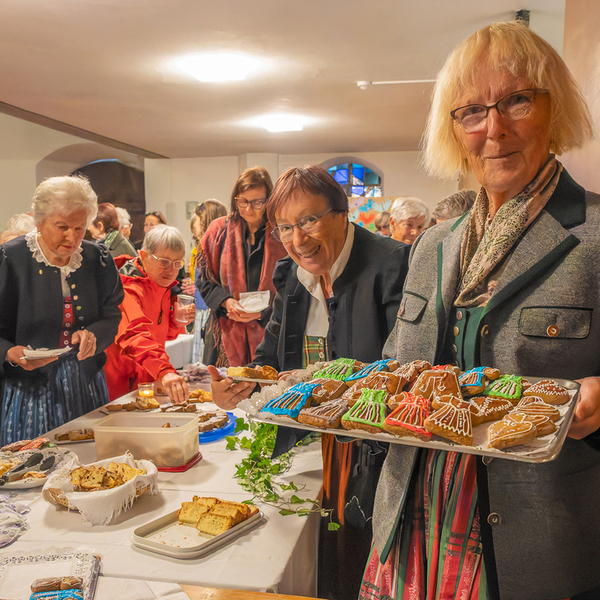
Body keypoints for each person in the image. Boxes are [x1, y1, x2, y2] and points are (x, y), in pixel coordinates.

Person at [363, 21, 600, 600]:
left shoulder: (594, 237)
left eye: (517, 100)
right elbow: (398, 360)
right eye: (471, 111)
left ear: (555, 109)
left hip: (538, 543)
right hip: (413, 528)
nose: (493, 128)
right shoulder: (432, 244)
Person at [209, 165, 411, 600]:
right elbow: (270, 357)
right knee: (309, 557)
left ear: (343, 213)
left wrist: (315, 378)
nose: (297, 239)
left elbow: (401, 369)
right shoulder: (290, 276)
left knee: (360, 559)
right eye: (284, 226)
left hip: (370, 449)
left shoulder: (390, 264)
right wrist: (242, 384)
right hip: (305, 446)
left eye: (309, 220)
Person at [0, 175, 124, 445]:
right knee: (30, 471)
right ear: (39, 220)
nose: (72, 237)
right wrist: (9, 352)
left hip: (85, 383)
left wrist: (93, 335)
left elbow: (111, 316)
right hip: (29, 389)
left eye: (80, 228)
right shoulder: (10, 259)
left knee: (92, 466)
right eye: (62, 227)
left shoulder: (96, 259)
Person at [198, 167, 287, 367]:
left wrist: (264, 312)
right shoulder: (218, 231)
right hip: (225, 331)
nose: (248, 209)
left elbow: (292, 286)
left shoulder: (282, 234)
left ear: (269, 201)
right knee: (226, 390)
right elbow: (204, 280)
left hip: (271, 329)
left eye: (257, 202)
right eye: (243, 201)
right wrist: (226, 302)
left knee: (268, 391)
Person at [104, 225, 194, 405]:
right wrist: (165, 371)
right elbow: (133, 335)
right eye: (164, 262)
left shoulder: (158, 283)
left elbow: (156, 331)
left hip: (145, 376)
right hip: (121, 382)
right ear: (143, 255)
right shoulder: (127, 287)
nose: (171, 270)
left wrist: (174, 323)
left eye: (177, 263)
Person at [190, 199, 227, 363]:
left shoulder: (218, 249)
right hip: (206, 310)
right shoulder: (204, 248)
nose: (195, 223)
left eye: (197, 217)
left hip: (216, 311)